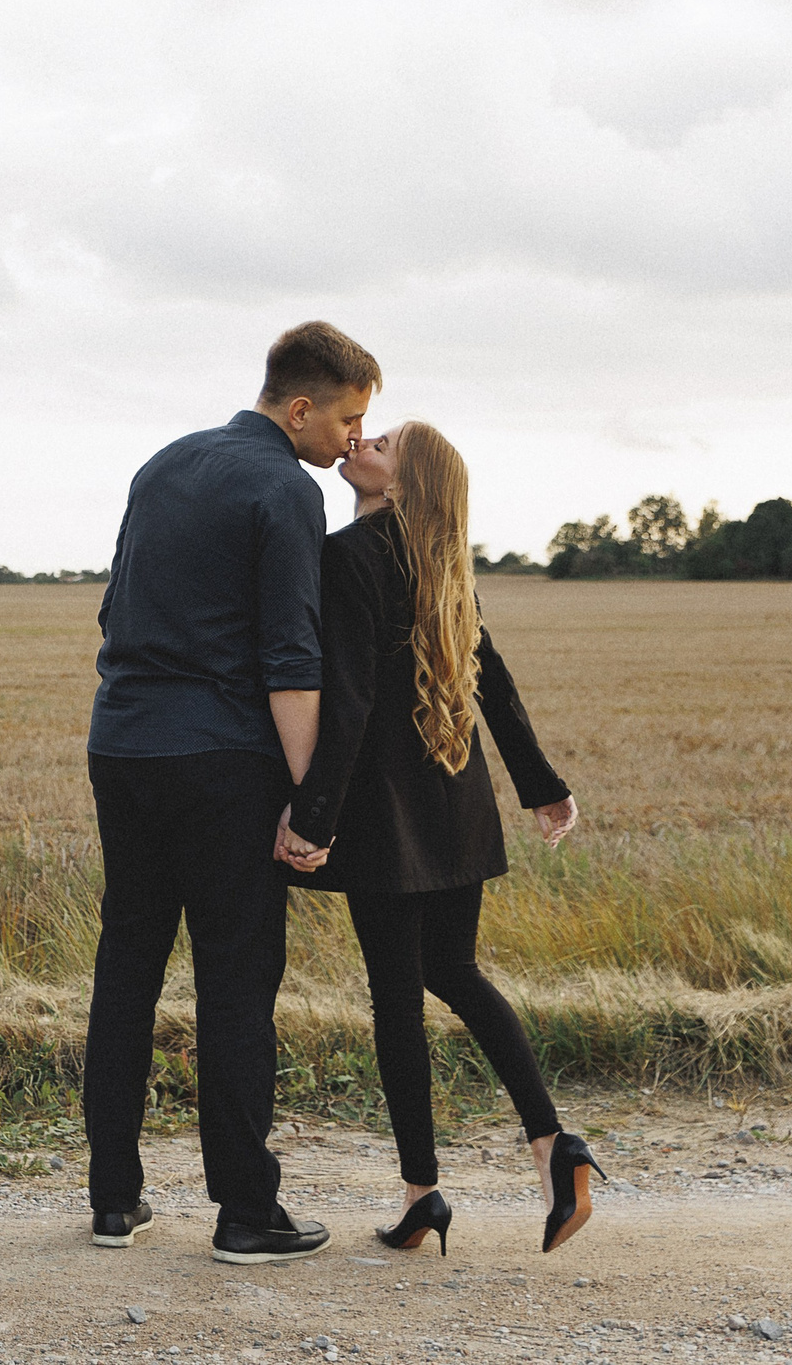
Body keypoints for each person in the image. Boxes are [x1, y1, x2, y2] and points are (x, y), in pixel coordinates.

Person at [83, 320, 379, 1265]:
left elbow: (111, 606)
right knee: (237, 981)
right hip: (219, 762)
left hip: (121, 743)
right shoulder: (284, 488)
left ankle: (112, 1199)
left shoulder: (162, 464)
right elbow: (292, 659)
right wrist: (310, 802)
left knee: (126, 962)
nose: (348, 441)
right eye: (346, 418)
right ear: (300, 408)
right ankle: (248, 1211)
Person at [283, 420, 601, 1256]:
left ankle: (423, 1192)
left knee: (398, 999)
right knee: (454, 970)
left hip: (385, 814)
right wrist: (542, 786)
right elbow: (493, 679)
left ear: (405, 481)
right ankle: (553, 1143)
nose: (361, 442)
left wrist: (314, 817)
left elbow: (344, 703)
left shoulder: (349, 555)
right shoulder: (446, 563)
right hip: (457, 805)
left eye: (380, 442)